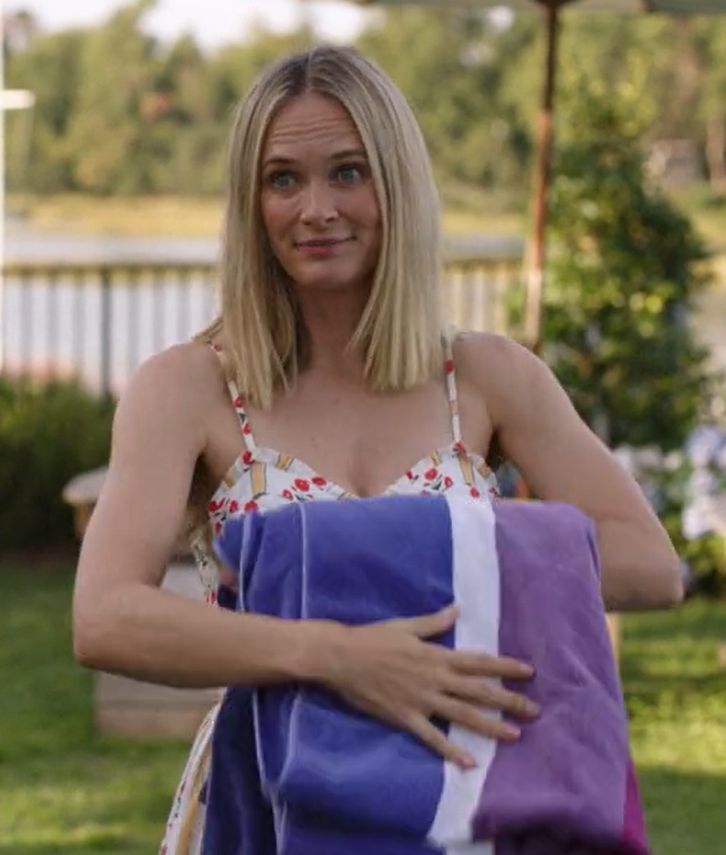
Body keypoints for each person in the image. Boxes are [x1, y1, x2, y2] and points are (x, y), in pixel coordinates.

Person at [72, 45, 682, 851]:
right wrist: (335, 652)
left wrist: (468, 560)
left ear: (396, 182)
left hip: (460, 789)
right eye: (283, 179)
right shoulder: (188, 387)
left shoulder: (487, 375)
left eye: (349, 172)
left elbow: (653, 564)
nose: (315, 208)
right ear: (250, 203)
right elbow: (105, 617)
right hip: (267, 792)